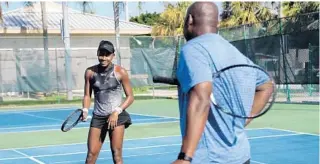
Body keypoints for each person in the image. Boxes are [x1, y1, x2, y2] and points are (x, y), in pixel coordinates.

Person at [172, 2, 274, 164]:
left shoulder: (192, 49)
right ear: (216, 23)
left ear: (190, 20)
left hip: (208, 158)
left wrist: (185, 157)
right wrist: (242, 119)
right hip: (240, 156)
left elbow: (201, 95)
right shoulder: (234, 53)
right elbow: (267, 86)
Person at [81, 40, 134, 164]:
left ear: (113, 56)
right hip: (98, 117)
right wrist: (85, 109)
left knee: (117, 154)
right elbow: (87, 95)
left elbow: (130, 97)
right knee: (91, 155)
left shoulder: (120, 72)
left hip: (117, 117)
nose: (103, 57)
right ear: (97, 53)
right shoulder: (90, 72)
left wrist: (116, 111)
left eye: (107, 54)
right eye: (101, 54)